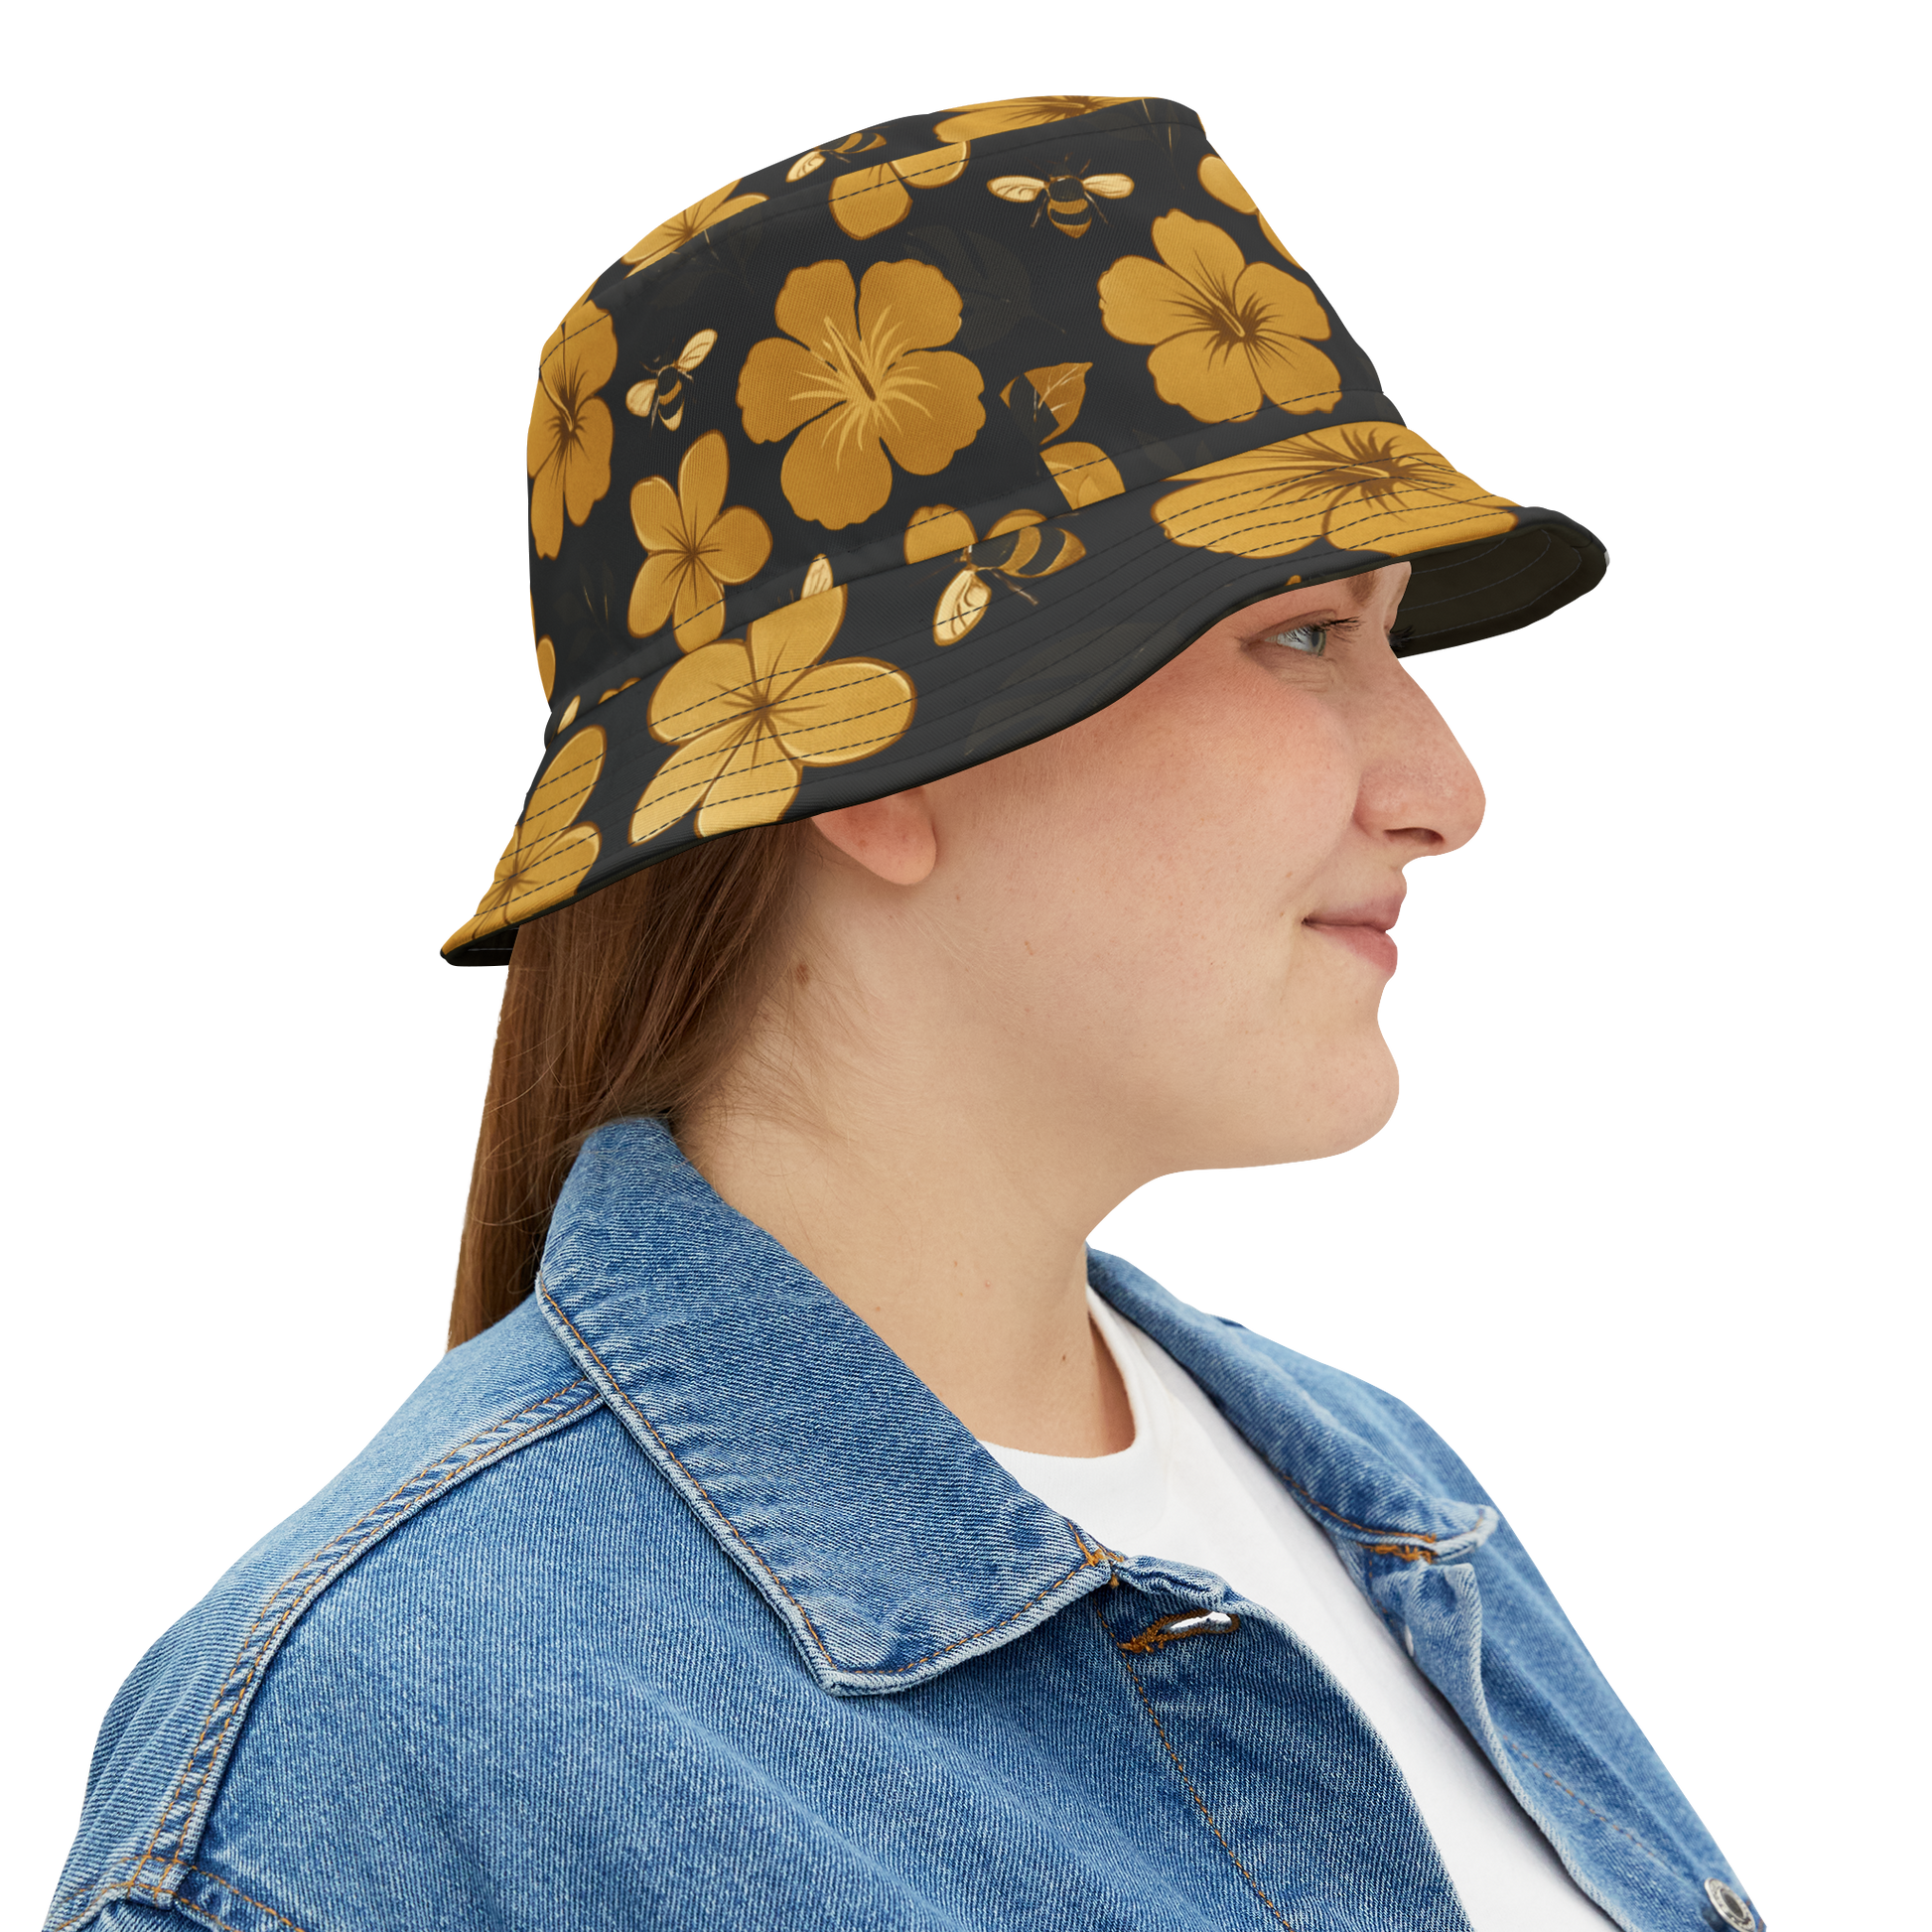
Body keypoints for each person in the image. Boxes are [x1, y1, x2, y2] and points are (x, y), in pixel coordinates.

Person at [45, 92, 1763, 1932]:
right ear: (876, 753)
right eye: (1300, 633)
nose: (1447, 791)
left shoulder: (1383, 1490)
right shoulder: (373, 1749)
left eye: (1387, 639)